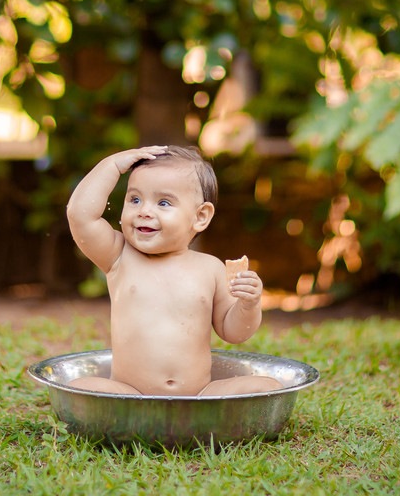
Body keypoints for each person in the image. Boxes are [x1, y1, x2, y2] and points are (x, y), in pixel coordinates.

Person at [65, 145, 282, 396]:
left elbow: (233, 332)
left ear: (200, 217)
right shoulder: (119, 257)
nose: (144, 211)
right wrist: (113, 165)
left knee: (267, 387)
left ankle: (190, 415)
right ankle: (141, 416)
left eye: (164, 202)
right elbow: (80, 215)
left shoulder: (210, 268)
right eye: (134, 199)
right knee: (80, 387)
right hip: (130, 393)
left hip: (198, 395)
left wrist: (248, 305)